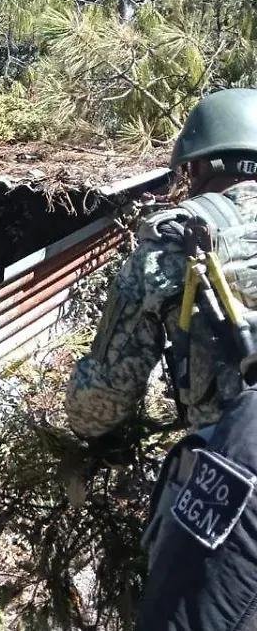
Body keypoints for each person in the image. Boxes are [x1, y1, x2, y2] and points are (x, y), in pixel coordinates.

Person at [64, 88, 257, 630]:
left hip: (235, 483)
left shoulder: (174, 244)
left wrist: (89, 434)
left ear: (196, 166)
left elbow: (97, 407)